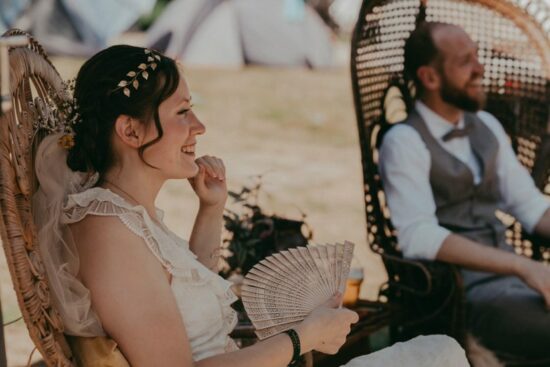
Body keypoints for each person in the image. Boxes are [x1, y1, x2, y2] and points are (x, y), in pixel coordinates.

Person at [32, 44, 469, 366]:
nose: (199, 126)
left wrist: (210, 209)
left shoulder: (127, 214)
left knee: (440, 352)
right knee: (441, 354)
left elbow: (181, 294)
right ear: (130, 131)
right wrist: (302, 337)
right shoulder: (107, 230)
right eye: (182, 112)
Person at [379, 22, 550, 361]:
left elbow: (528, 204)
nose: (480, 69)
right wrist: (522, 266)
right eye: (465, 61)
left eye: (477, 56)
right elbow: (418, 235)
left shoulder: (486, 125)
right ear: (430, 78)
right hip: (461, 296)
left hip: (519, 284)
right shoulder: (404, 142)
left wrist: (526, 270)